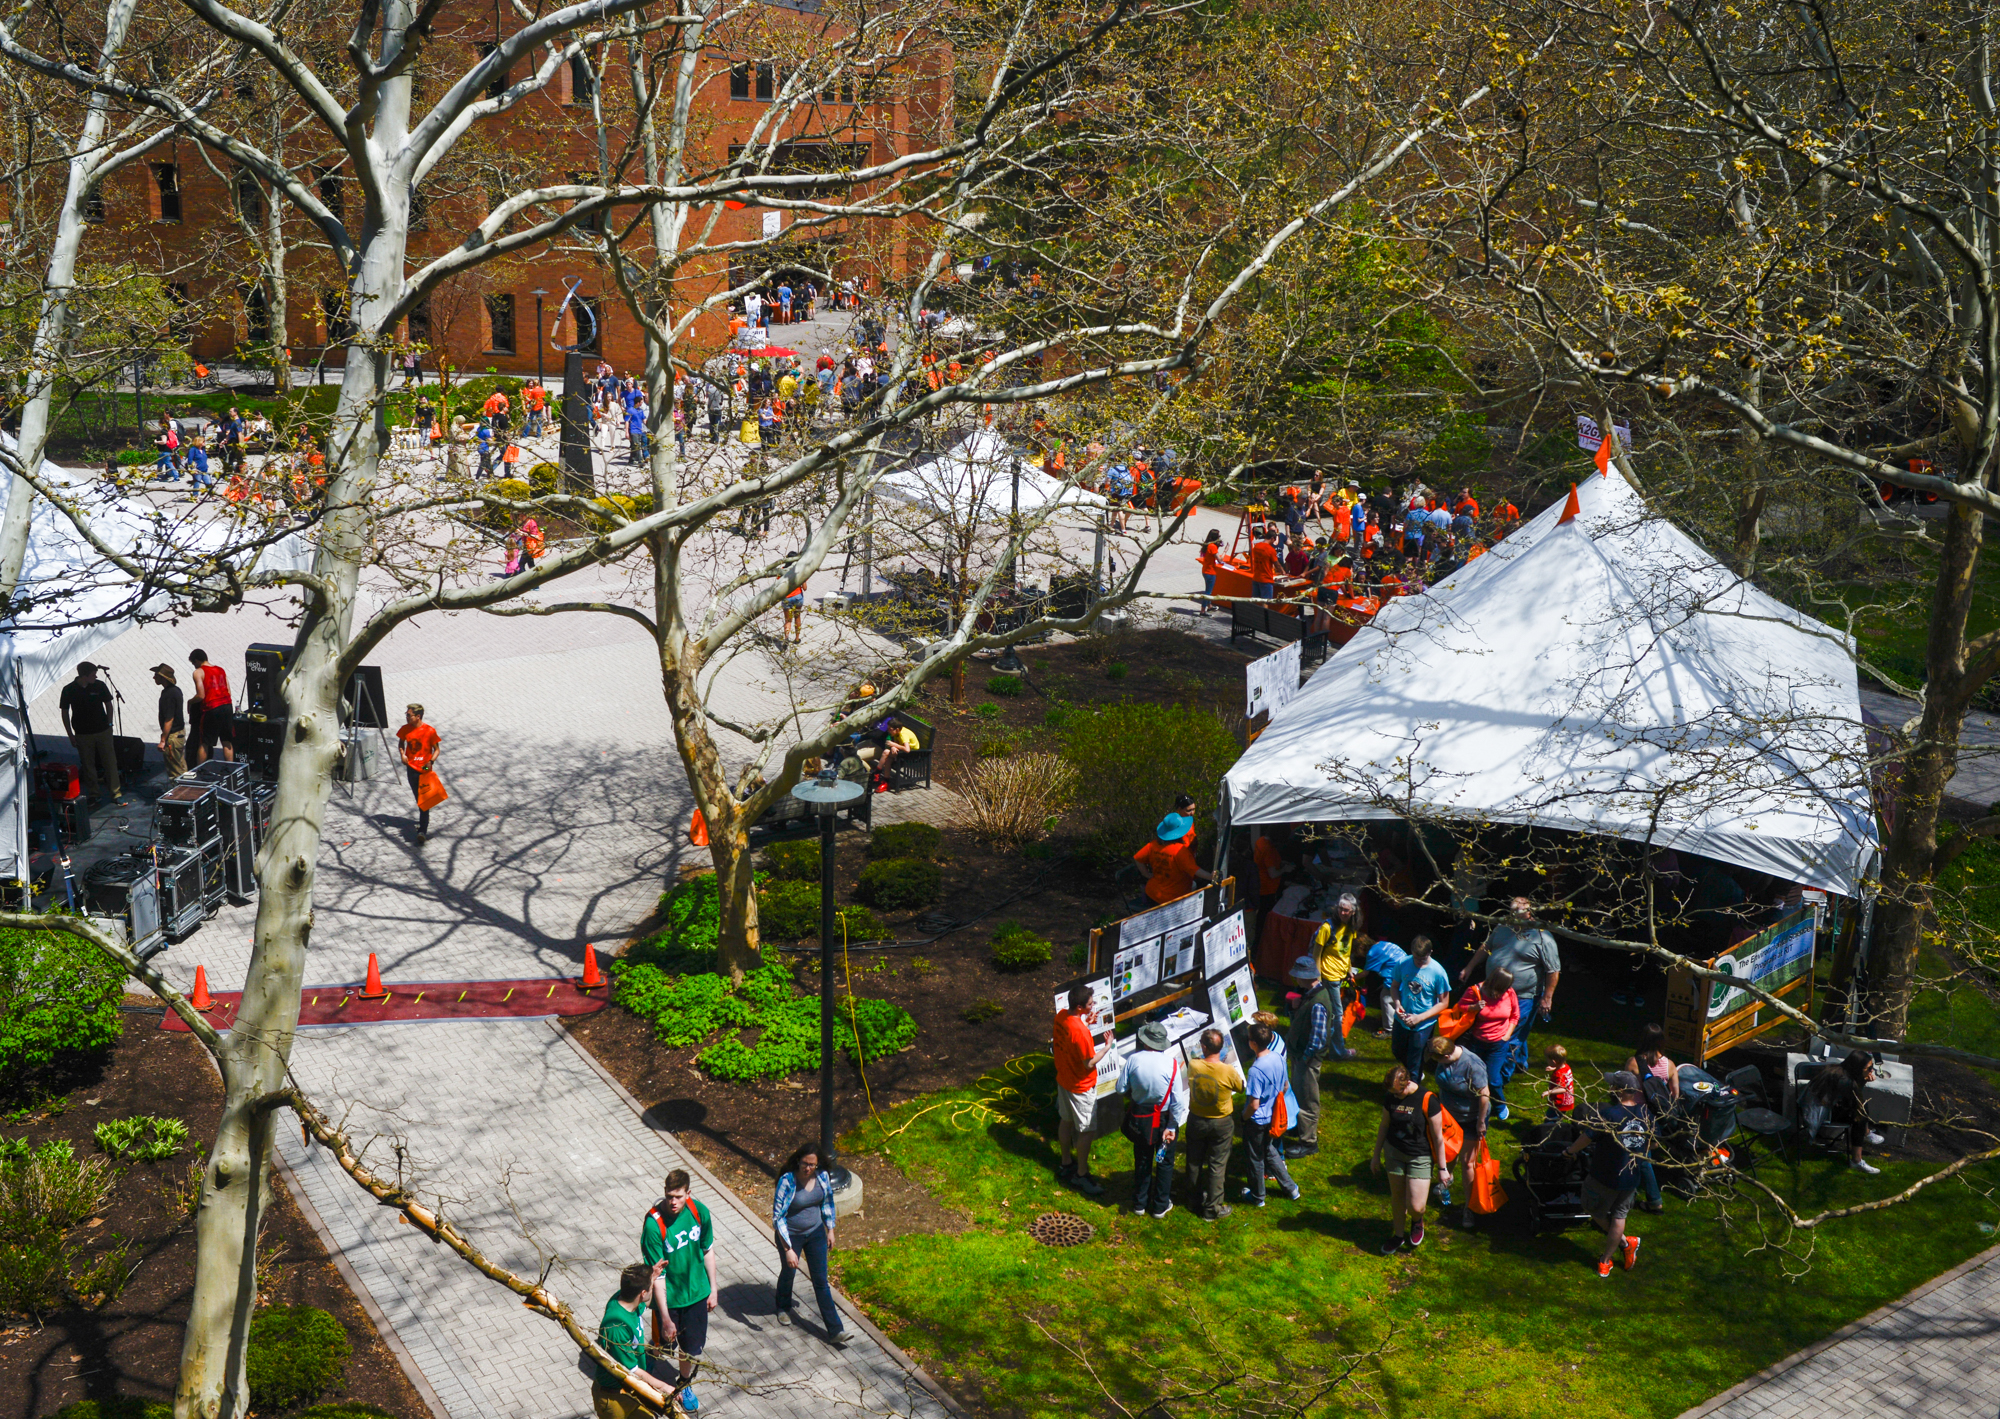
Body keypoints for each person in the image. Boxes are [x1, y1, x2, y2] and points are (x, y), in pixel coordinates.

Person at [1458, 897, 1561, 1119]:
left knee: (1508, 1037)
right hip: (1493, 992)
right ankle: (1520, 1062)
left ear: (1529, 912)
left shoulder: (1543, 937)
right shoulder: (1503, 927)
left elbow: (1553, 970)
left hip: (1523, 996)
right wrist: (1469, 967)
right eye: (1510, 911)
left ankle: (1500, 1078)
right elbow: (1486, 948)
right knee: (1514, 1034)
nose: (1512, 916)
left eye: (1517, 912)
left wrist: (1547, 998)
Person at [641, 1169, 718, 1413]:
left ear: (688, 1193)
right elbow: (659, 1277)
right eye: (669, 1196)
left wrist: (713, 1289)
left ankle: (683, 1384)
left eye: (679, 1196)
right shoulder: (654, 1226)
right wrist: (664, 1317)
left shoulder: (699, 1212)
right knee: (664, 1341)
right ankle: (650, 1361)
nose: (673, 1202)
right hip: (669, 1299)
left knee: (691, 1348)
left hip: (696, 1295)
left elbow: (707, 1250)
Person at [1563, 1072, 1648, 1277]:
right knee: (1619, 1216)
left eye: (1612, 1086)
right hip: (1631, 1176)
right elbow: (1653, 1142)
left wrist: (1569, 1152)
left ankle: (1623, 1245)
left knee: (1593, 1209)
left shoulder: (1609, 1115)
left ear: (1618, 1091)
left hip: (1604, 1176)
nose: (1609, 1089)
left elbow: (1586, 1138)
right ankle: (1609, 1257)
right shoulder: (1646, 1114)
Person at [771, 1145, 848, 1345]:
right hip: (791, 1235)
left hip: (815, 1234)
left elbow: (827, 1202)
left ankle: (835, 1330)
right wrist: (788, 1249)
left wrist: (830, 1229)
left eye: (812, 1165)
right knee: (789, 1273)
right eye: (805, 1163)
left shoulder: (821, 1176)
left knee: (821, 1280)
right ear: (798, 1161)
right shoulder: (787, 1181)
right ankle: (782, 1306)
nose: (808, 1168)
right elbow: (778, 1217)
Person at [1372, 1064, 1448, 1253]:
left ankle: (1417, 1219)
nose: (1394, 1096)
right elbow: (1384, 1125)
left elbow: (1438, 1137)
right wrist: (1375, 1156)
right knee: (1397, 1198)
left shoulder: (1428, 1099)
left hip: (1419, 1156)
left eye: (1397, 1093)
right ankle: (1398, 1236)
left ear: (1406, 1084)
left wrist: (1442, 1168)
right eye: (1392, 1093)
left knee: (1416, 1205)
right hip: (1394, 1153)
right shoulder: (1390, 1096)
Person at [588, 1261, 672, 1419]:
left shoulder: (626, 1299)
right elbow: (631, 1369)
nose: (652, 1290)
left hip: (631, 1390)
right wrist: (664, 1387)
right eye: (651, 1288)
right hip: (614, 1398)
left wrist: (652, 1277)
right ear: (642, 1293)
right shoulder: (617, 1326)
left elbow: (645, 1302)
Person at [1122, 1022, 1188, 1219]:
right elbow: (1178, 1101)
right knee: (1165, 1162)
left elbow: (1120, 1088)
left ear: (1144, 1041)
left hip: (1140, 1119)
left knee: (1142, 1159)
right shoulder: (1172, 1064)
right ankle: (1160, 1206)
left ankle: (1140, 1203)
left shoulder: (1133, 1060)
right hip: (1164, 1119)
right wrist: (1172, 1126)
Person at [1423, 1034, 1489, 1229]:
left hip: (1471, 1119)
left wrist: (1480, 1122)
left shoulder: (1472, 1064)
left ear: (1445, 1055)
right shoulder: (1444, 1061)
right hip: (1449, 1118)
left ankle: (1468, 1209)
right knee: (1447, 1153)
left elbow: (1485, 1096)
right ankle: (1446, 1181)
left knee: (1467, 1164)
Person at [1053, 985, 1110, 1195]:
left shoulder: (1061, 1017)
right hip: (1080, 1087)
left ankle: (1066, 1162)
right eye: (1090, 1004)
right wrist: (1106, 1046)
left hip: (1064, 1079)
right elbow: (1089, 1063)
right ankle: (1081, 1174)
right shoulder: (1082, 1033)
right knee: (1086, 1129)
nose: (1093, 1005)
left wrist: (1085, 1019)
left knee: (1066, 1120)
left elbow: (1069, 1040)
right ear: (1079, 1007)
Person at [1184, 1028, 1242, 1220]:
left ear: (1203, 1047)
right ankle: (1212, 1208)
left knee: (1194, 1161)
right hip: (1221, 1122)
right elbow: (1240, 1087)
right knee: (1217, 1165)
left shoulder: (1193, 1065)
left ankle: (1192, 1200)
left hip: (1197, 1119)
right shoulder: (1228, 1070)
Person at [1240, 1023, 1301, 1207]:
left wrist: (1243, 1117)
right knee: (1269, 1150)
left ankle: (1258, 1197)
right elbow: (1285, 1086)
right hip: (1274, 1116)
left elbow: (1254, 1103)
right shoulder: (1278, 1057)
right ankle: (1291, 1189)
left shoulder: (1255, 1070)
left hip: (1257, 1120)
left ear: (1252, 1043)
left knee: (1256, 1157)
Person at [1283, 956, 1337, 1160]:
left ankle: (1308, 1142)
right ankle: (1298, 1129)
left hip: (1307, 1059)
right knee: (1298, 1093)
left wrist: (1305, 1059)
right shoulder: (1310, 996)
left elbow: (1318, 1038)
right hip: (1300, 1056)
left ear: (1304, 977)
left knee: (1308, 1100)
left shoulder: (1318, 1003)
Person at [1804, 1049, 1886, 1174]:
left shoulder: (1838, 1070)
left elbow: (1853, 1096)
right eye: (1868, 1068)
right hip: (1821, 1115)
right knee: (1860, 1115)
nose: (1871, 1071)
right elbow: (1856, 1099)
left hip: (1816, 1107)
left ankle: (1866, 1133)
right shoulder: (1845, 1082)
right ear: (1857, 1068)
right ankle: (1857, 1160)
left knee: (1861, 1108)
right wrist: (1863, 1081)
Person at [1455, 967, 1520, 1116]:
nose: (1507, 989)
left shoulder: (1509, 992)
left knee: (1492, 1079)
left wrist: (1507, 1035)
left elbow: (1515, 1016)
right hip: (1477, 1042)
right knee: (1471, 1075)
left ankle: (1499, 1106)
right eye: (1504, 986)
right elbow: (1460, 1007)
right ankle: (1472, 1105)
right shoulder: (1476, 990)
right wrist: (1474, 1007)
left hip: (1498, 1044)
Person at [1387, 935, 1451, 1080]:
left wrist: (1419, 1018)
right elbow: (1395, 986)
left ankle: (1413, 1091)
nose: (1419, 962)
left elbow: (1444, 1003)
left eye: (1423, 959)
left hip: (1423, 1023)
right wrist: (1397, 1004)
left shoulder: (1438, 972)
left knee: (1415, 1061)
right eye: (1416, 958)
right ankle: (1412, 1075)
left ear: (1430, 952)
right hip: (1402, 1018)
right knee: (1397, 1050)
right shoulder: (1403, 963)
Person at [59, 662, 121, 805]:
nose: (96, 676)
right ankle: (94, 794)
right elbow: (64, 712)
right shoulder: (69, 690)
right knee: (88, 765)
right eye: (93, 674)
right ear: (84, 676)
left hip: (103, 731)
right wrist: (70, 734)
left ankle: (116, 793)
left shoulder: (99, 685)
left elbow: (109, 704)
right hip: (82, 734)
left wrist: (110, 723)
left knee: (110, 762)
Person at [1132, 812, 1211, 903]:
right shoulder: (1180, 851)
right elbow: (1195, 870)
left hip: (1152, 893)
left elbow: (1137, 859)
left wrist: (1147, 874)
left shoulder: (1152, 845)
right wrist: (1211, 877)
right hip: (1174, 898)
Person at [397, 703, 441, 843]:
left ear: (418, 716)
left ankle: (422, 831)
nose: (406, 717)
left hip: (426, 768)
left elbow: (437, 750)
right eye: (406, 714)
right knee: (419, 799)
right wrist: (403, 755)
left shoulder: (429, 731)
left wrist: (431, 761)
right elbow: (401, 743)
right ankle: (423, 820)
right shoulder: (405, 729)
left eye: (409, 715)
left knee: (424, 801)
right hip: (411, 768)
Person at [188, 650, 235, 764]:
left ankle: (200, 770)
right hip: (227, 705)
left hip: (212, 708)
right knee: (226, 741)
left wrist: (190, 702)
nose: (194, 666)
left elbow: (201, 695)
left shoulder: (198, 672)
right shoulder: (220, 670)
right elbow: (228, 690)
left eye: (194, 663)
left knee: (204, 742)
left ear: (197, 660)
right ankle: (230, 769)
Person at [152, 663, 187, 780]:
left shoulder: (169, 694)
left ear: (163, 678)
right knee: (181, 767)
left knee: (175, 772)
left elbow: (169, 719)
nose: (154, 677)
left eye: (156, 675)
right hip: (179, 734)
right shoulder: (176, 690)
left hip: (173, 737)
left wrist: (163, 740)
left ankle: (180, 796)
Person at [1544, 1043, 1576, 1119]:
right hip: (1567, 1100)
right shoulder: (1566, 1067)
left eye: (1548, 1060)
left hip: (1559, 1102)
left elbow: (1562, 1089)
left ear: (1554, 1062)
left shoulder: (1559, 1074)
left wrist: (1548, 1092)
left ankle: (1550, 1129)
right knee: (1558, 1117)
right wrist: (1554, 1068)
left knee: (1551, 1118)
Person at [1248, 524, 1279, 598]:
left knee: (1255, 600)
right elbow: (1277, 564)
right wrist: (1283, 572)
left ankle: (1252, 610)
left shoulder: (1257, 546)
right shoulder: (1271, 550)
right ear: (1272, 538)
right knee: (1266, 602)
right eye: (1274, 540)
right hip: (1266, 579)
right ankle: (1265, 610)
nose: (1273, 543)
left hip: (1256, 577)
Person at [1198, 529, 1222, 614]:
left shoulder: (1208, 545)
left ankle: (1209, 606)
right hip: (1210, 572)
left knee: (1208, 589)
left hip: (1205, 570)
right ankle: (1203, 611)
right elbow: (1220, 560)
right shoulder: (1212, 546)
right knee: (1208, 592)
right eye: (1218, 536)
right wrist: (1226, 550)